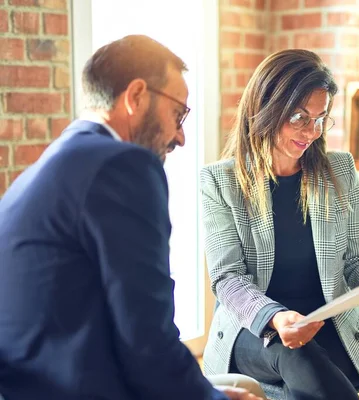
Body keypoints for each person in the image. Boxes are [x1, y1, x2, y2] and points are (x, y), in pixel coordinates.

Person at [0, 35, 264, 400]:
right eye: (178, 114)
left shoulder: (59, 159)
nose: (181, 137)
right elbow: (146, 336)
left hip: (31, 382)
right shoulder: (121, 165)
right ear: (136, 96)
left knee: (242, 385)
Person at [199, 49, 359, 400]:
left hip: (329, 323)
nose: (312, 131)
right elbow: (227, 278)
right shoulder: (220, 181)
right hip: (256, 328)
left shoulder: (339, 170)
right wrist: (277, 317)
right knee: (296, 352)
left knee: (310, 365)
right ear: (265, 109)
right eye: (299, 117)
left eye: (320, 118)